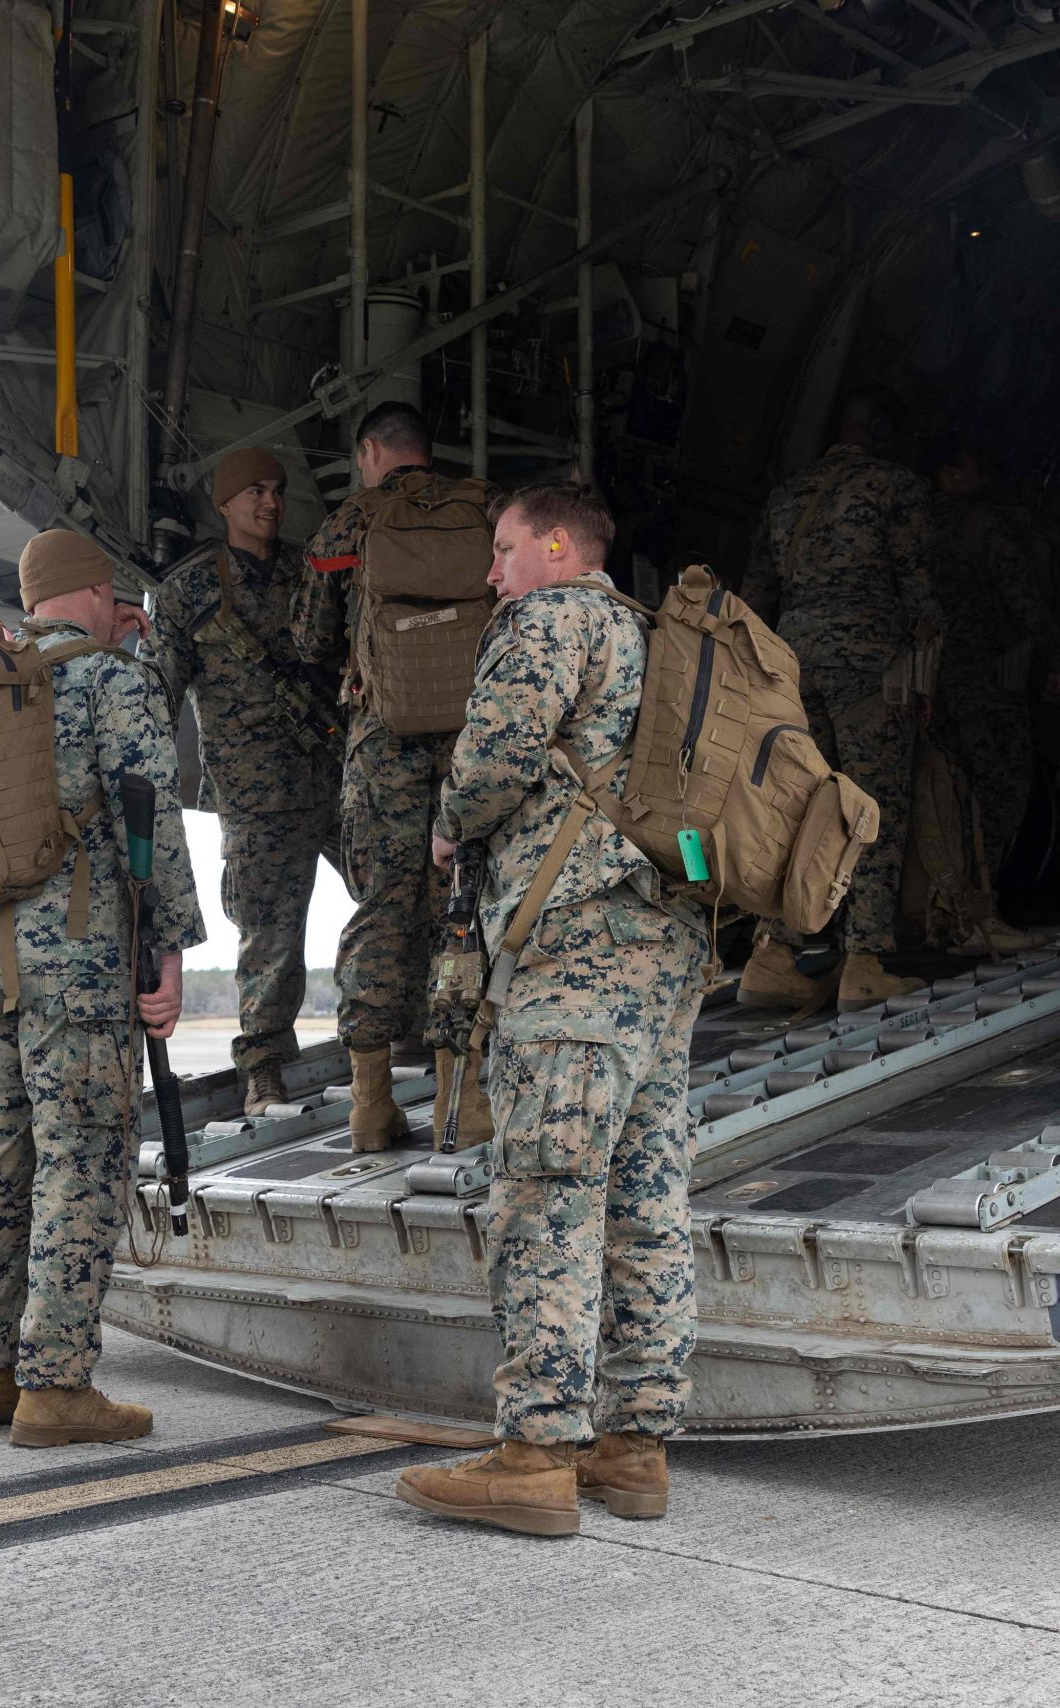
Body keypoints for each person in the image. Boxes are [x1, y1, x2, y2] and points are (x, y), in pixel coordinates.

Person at [397, 482, 705, 1537]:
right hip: (664, 948)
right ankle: (636, 1447)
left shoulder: (551, 618)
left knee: (546, 1191)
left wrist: (447, 824)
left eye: (503, 547)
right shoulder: (662, 639)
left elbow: (495, 757)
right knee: (646, 1196)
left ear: (559, 544)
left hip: (572, 946)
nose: (492, 572)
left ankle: (535, 1452)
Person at [0, 530, 204, 1447]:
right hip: (75, 962)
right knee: (79, 1167)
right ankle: (56, 1386)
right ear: (96, 590)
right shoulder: (110, 681)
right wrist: (170, 949)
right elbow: (152, 817)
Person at [291, 401, 499, 1149]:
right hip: (469, 745)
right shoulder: (482, 509)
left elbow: (311, 637)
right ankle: (462, 1099)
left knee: (382, 906)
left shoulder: (350, 523)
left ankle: (371, 1105)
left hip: (382, 743)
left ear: (372, 450)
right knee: (466, 906)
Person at [147, 447, 344, 1113]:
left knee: (394, 898)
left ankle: (395, 1032)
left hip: (336, 773)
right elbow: (159, 697)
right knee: (270, 936)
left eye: (277, 490)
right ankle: (264, 1064)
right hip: (255, 797)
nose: (269, 502)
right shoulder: (190, 591)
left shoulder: (307, 572)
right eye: (254, 491)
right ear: (224, 504)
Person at [737, 385, 943, 1012]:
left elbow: (755, 595)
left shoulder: (787, 496)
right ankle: (866, 960)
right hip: (872, 666)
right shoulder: (895, 488)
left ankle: (773, 953)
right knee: (871, 805)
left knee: (798, 807)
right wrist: (930, 670)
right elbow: (921, 587)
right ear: (880, 430)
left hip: (796, 664)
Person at [923, 441, 1052, 955]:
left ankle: (939, 912)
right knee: (997, 791)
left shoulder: (912, 525)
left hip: (927, 682)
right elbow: (1023, 598)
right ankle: (980, 911)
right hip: (985, 679)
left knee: (940, 797)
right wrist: (1056, 656)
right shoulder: (985, 525)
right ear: (952, 472)